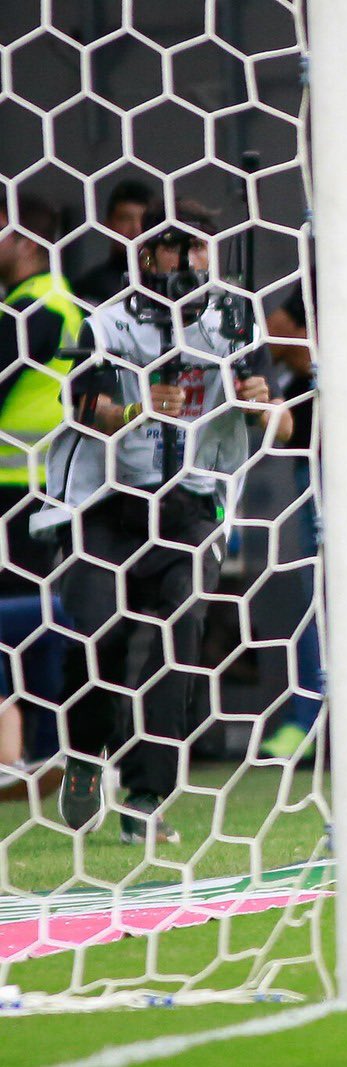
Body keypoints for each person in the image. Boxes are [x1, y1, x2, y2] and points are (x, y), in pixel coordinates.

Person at [40, 200, 290, 843]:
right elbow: (83, 405)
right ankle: (84, 752)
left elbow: (285, 424)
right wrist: (137, 409)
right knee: (99, 635)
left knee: (181, 634)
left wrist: (261, 405)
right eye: (178, 245)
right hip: (106, 505)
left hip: (190, 507)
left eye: (203, 246)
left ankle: (146, 798)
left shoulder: (235, 322)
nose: (191, 260)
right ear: (146, 253)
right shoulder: (110, 321)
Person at [0, 193, 79, 792]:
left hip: (14, 489)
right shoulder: (56, 302)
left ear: (27, 240)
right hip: (40, 485)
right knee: (36, 618)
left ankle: (22, 750)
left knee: (20, 620)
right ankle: (45, 747)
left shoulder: (33, 310)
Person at [258, 281, 324, 761]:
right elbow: (273, 335)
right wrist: (316, 361)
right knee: (319, 591)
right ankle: (307, 718)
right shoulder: (328, 267)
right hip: (320, 457)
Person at [71, 179, 154, 307]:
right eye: (125, 219)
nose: (136, 228)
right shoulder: (91, 286)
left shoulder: (169, 282)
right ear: (108, 225)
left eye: (145, 219)